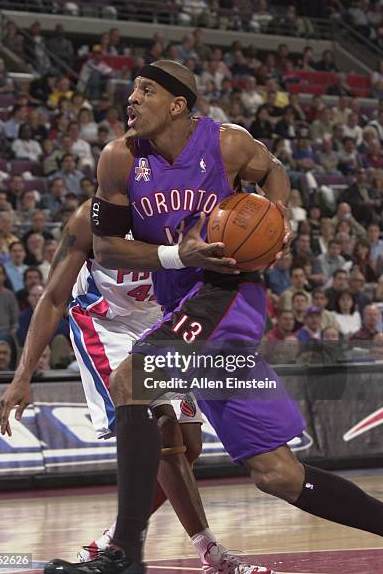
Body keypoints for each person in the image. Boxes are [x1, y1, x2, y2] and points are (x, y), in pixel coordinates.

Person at [44, 61, 383, 573]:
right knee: (278, 475)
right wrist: (180, 257)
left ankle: (124, 555)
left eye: (146, 91)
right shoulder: (118, 159)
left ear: (178, 104)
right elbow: (109, 250)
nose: (131, 99)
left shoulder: (228, 144)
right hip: (185, 304)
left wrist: (279, 215)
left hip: (226, 294)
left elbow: (274, 173)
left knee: (131, 380)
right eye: (132, 90)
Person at [0, 201, 265, 574]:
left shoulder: (182, 210)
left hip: (159, 322)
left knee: (189, 448)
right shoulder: (89, 219)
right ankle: (211, 551)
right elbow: (54, 298)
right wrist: (22, 375)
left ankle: (112, 541)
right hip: (105, 324)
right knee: (163, 429)